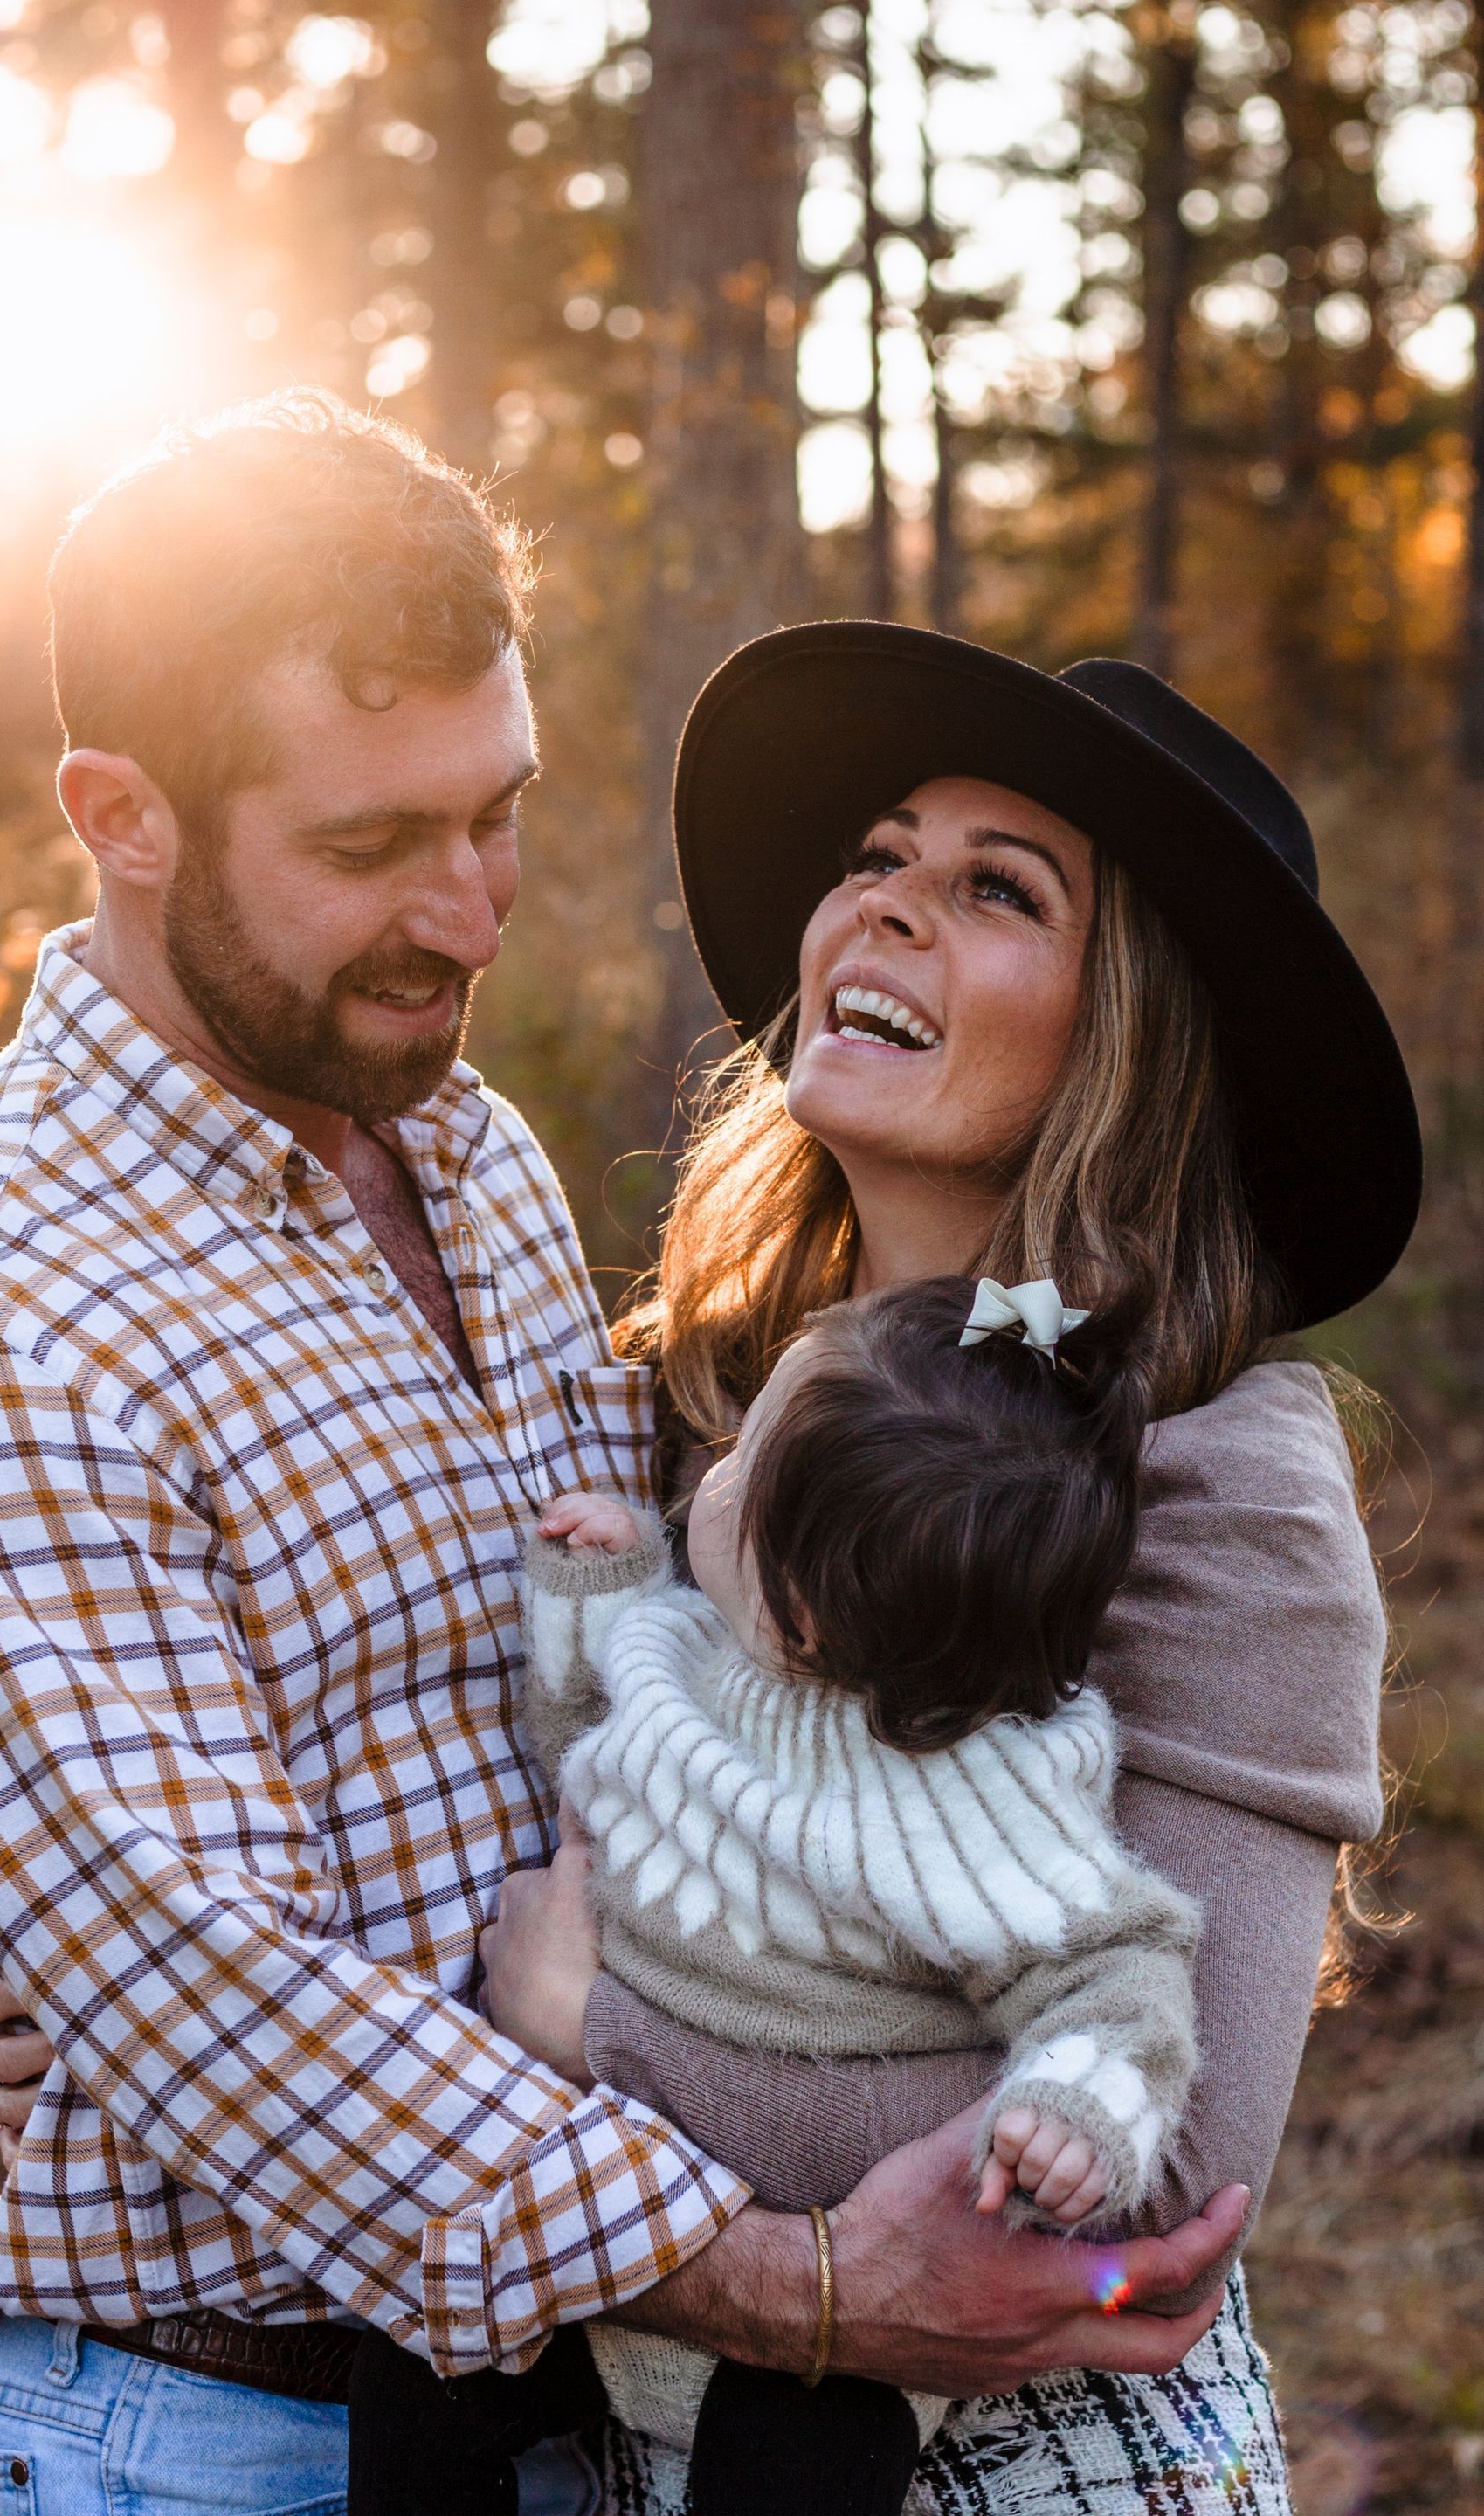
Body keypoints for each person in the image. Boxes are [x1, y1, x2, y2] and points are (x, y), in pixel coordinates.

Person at [0, 407, 1243, 2516]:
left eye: (499, 818)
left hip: (585, 2416)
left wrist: (62, 1929)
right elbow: (230, 2000)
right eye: (375, 846)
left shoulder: (454, 1140)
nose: (470, 918)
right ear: (120, 815)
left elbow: (648, 1670)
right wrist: (808, 2285)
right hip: (247, 2436)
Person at [477, 623, 1418, 2515]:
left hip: (1025, 2470)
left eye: (998, 890)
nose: (889, 907)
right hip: (636, 2448)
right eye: (879, 856)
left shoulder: (1219, 1470)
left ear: (1130, 1035)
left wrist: (591, 2036)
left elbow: (1153, 2181)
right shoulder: (696, 1383)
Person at [351, 1268, 1205, 2516]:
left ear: (796, 1612)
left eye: (744, 1458)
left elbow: (1119, 1968)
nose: (714, 1460)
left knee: (806, 2457)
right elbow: (589, 1741)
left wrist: (1075, 2111)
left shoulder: (980, 1798)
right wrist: (599, 1590)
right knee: (423, 2358)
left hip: (831, 2294)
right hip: (617, 2237)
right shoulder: (693, 1649)